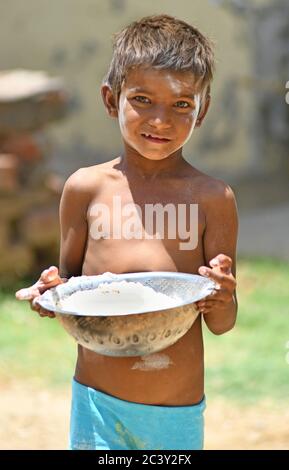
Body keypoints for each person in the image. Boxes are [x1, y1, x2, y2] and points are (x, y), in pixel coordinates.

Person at [16, 14, 238, 450]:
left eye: (182, 104)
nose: (161, 120)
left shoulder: (213, 198)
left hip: (173, 408)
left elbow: (222, 325)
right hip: (97, 401)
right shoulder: (85, 188)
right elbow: (70, 289)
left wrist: (224, 295)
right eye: (142, 99)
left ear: (203, 110)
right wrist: (49, 292)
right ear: (111, 99)